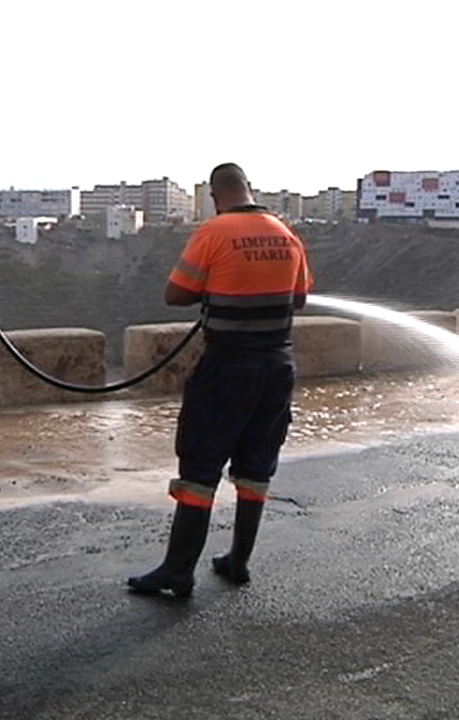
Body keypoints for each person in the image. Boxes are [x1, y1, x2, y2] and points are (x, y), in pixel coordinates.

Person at [128, 163, 313, 598]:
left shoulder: (215, 233)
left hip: (228, 367)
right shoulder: (285, 232)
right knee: (256, 464)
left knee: (200, 464)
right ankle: (238, 561)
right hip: (277, 367)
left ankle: (178, 570)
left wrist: (216, 285)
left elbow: (175, 294)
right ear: (249, 189)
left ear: (215, 196)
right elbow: (300, 297)